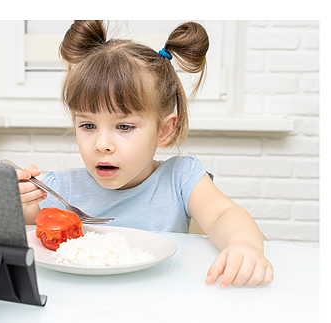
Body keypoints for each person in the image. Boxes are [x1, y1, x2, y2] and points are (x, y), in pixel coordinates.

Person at [15, 20, 273, 289]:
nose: (102, 144)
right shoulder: (59, 190)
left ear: (164, 130)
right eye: (88, 125)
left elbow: (224, 215)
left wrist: (242, 245)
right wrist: (13, 199)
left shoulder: (180, 179)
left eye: (124, 126)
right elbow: (20, 225)